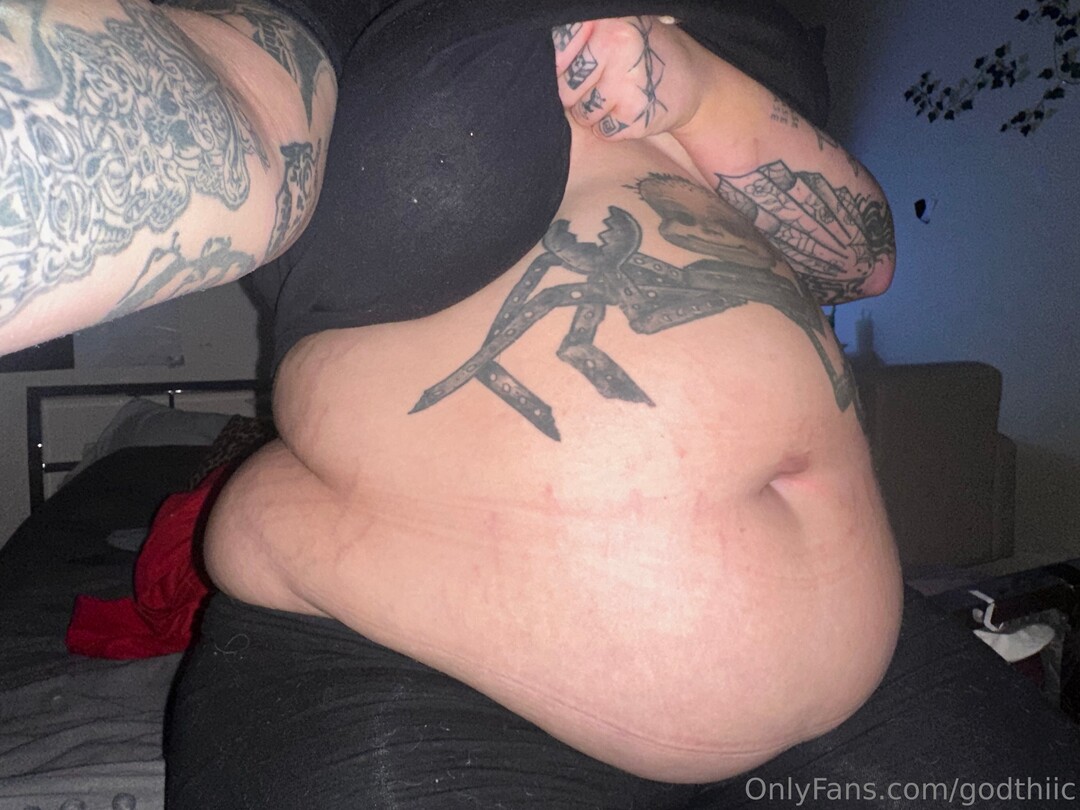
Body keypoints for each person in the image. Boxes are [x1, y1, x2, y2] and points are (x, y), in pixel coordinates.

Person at [2, 2, 1078, 807]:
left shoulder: (756, 21)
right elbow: (225, 111)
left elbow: (859, 258)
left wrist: (703, 92)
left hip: (862, 673)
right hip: (417, 674)